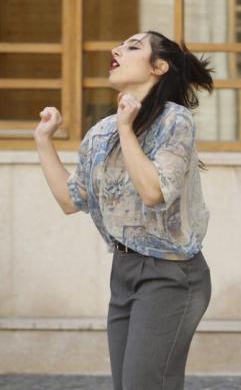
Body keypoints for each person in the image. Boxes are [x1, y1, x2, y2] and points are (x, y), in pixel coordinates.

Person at [34, 31, 214, 390]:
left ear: (159, 66)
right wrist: (43, 140)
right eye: (120, 44)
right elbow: (70, 201)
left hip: (171, 274)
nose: (116, 49)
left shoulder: (174, 121)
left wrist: (127, 129)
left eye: (133, 46)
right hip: (124, 271)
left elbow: (153, 192)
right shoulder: (102, 132)